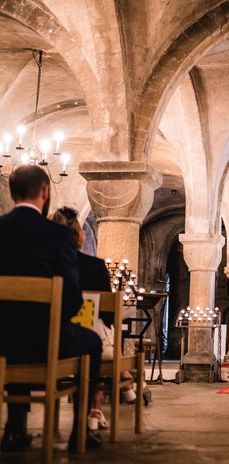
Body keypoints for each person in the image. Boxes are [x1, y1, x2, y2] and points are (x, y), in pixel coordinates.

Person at [0, 166, 102, 452]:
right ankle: (80, 431)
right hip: (46, 340)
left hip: (2, 342)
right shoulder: (58, 236)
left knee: (13, 330)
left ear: (11, 192)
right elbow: (71, 298)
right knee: (92, 343)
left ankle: (15, 427)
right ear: (45, 193)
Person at [51, 206, 137, 432]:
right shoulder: (95, 267)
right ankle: (95, 408)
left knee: (95, 337)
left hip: (42, 340)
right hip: (79, 339)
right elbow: (109, 315)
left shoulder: (43, 265)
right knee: (97, 341)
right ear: (80, 234)